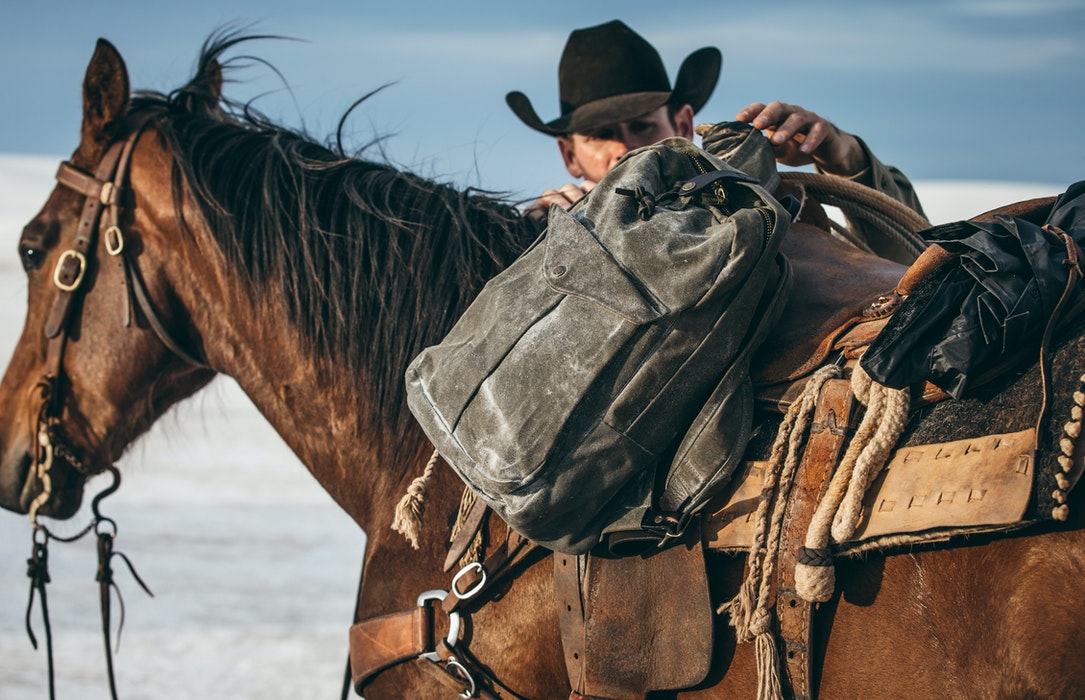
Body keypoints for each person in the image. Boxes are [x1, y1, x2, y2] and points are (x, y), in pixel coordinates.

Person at [508, 20, 925, 232]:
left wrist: (847, 160)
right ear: (569, 156)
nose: (625, 149)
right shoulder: (545, 228)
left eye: (641, 126)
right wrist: (532, 238)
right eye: (600, 135)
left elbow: (911, 269)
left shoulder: (765, 210)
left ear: (684, 124)